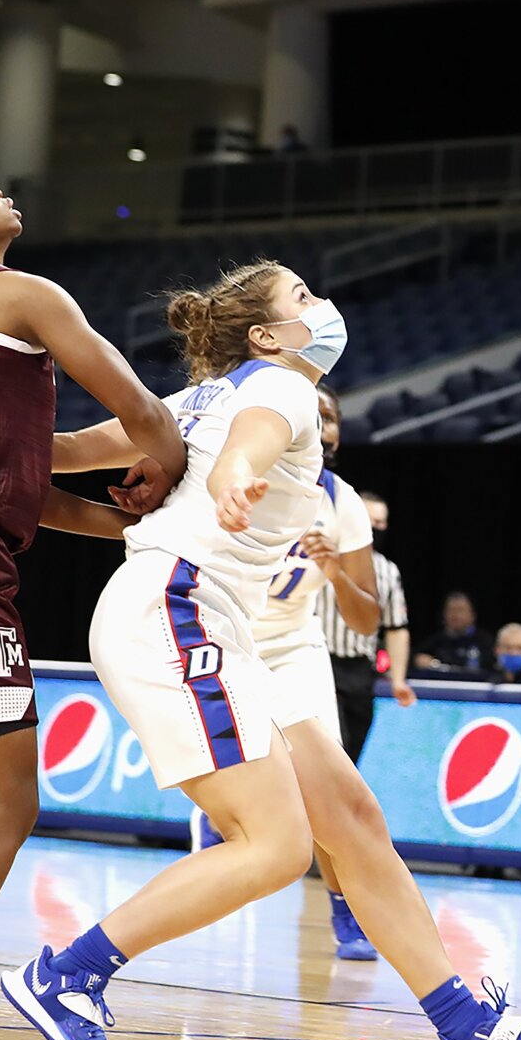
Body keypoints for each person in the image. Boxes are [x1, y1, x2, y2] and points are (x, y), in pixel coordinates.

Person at [0, 260, 521, 1040]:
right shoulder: (281, 385)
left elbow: (68, 451)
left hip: (208, 617)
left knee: (351, 818)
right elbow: (254, 440)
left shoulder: (195, 398)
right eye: (304, 298)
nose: (326, 306)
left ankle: (467, 1024)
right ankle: (67, 974)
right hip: (180, 610)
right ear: (267, 334)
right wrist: (236, 475)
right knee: (275, 847)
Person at [0, 163, 186, 1040]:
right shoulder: (19, 293)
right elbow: (137, 406)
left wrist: (122, 528)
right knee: (3, 799)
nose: (2, 185)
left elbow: (22, 479)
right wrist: (168, 471)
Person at [188, 385, 414, 964]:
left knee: (330, 794)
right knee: (237, 779)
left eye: (331, 416)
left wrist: (335, 572)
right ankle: (221, 822)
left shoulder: (341, 502)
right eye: (313, 412)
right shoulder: (229, 471)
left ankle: (346, 912)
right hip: (223, 635)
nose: (323, 422)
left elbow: (366, 620)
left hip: (293, 647)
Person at [322, 489, 415, 766]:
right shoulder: (324, 558)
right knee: (334, 750)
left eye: (381, 522)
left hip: (361, 671)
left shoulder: (388, 571)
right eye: (369, 519)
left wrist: (398, 680)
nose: (376, 527)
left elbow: (396, 628)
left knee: (352, 757)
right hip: (322, 663)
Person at [413, 592, 494, 673]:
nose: (455, 615)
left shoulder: (486, 642)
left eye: (460, 610)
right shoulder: (434, 641)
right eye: (451, 610)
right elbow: (418, 657)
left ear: (472, 615)